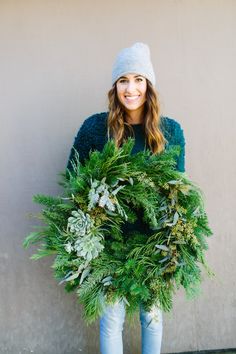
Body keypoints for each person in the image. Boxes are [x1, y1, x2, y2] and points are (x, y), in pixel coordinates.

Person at [67, 42, 185, 354]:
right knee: (111, 318)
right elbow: (73, 177)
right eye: (123, 80)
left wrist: (169, 241)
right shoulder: (95, 128)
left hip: (153, 244)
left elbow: (177, 188)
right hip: (108, 243)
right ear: (115, 86)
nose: (130, 89)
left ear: (149, 85)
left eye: (138, 79)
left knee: (153, 317)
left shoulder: (170, 131)